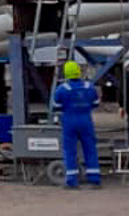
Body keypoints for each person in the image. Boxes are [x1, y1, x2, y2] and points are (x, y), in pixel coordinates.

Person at [51, 60, 102, 189]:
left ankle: (72, 181)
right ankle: (94, 179)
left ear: (66, 73)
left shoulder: (62, 89)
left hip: (69, 121)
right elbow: (95, 104)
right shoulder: (89, 87)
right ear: (79, 72)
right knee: (90, 149)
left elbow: (56, 107)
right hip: (86, 120)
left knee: (70, 151)